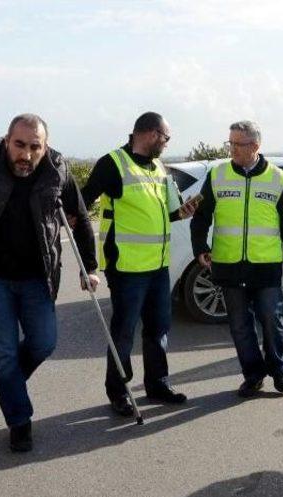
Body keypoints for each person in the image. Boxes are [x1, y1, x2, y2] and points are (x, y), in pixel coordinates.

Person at [0, 113, 98, 452]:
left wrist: (90, 266)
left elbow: (81, 218)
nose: (25, 155)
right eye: (19, 145)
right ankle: (19, 421)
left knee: (44, 343)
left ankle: (9, 381)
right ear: (6, 140)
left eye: (34, 147)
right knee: (4, 354)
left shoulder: (58, 169)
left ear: (45, 147)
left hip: (37, 277)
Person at [81, 111, 198, 417]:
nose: (167, 143)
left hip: (158, 265)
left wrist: (183, 212)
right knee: (123, 330)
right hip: (126, 266)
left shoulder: (159, 168)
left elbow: (167, 214)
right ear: (148, 133)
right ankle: (119, 391)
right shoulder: (113, 163)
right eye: (165, 137)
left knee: (159, 327)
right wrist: (88, 263)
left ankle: (157, 384)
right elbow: (81, 205)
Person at [190, 120, 283, 398]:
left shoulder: (278, 178)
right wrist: (199, 247)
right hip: (228, 265)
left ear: (255, 146)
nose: (232, 149)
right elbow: (201, 216)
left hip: (264, 266)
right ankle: (253, 376)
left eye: (238, 144)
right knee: (240, 326)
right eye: (229, 143)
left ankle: (279, 371)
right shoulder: (218, 175)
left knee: (271, 319)